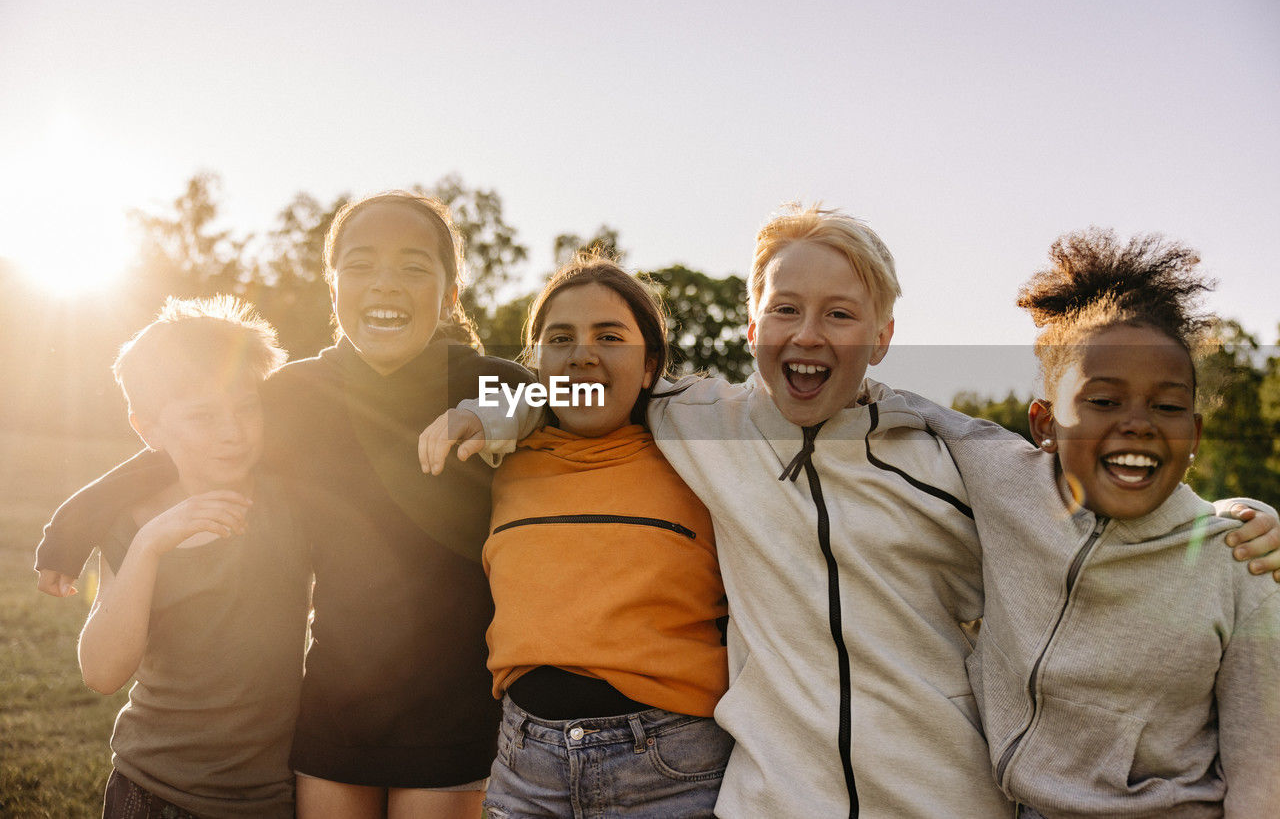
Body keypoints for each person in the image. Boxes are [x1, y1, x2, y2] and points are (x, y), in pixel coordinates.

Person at [427, 204, 1280, 818]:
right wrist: (492, 409)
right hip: (766, 801)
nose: (808, 334)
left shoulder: (954, 455)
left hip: (938, 800)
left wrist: (1231, 518)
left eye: (840, 315)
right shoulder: (698, 417)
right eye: (786, 310)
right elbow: (585, 373)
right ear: (751, 322)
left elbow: (1105, 480)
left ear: (881, 337)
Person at [36, 191, 533, 819]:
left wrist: (479, 414)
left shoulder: (486, 380)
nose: (386, 283)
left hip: (452, 704)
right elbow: (178, 443)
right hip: (333, 703)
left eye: (414, 266)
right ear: (332, 288)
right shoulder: (297, 392)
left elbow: (541, 394)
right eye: (360, 265)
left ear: (451, 293)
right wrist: (72, 525)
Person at [904, 230, 1280, 817]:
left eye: (1168, 406)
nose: (1139, 424)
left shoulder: (1241, 562)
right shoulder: (999, 479)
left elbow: (1264, 772)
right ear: (1045, 424)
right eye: (1104, 401)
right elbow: (892, 406)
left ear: (1195, 437)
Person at [423, 252, 732, 817]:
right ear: (537, 362)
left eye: (610, 336)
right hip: (526, 767)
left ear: (648, 366)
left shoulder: (698, 462)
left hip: (671, 769)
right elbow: (519, 407)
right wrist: (483, 414)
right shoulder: (505, 461)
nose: (584, 352)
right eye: (560, 338)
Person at [79, 296, 307, 819]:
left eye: (246, 408)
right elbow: (102, 671)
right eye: (203, 416)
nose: (232, 431)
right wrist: (152, 544)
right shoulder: (131, 523)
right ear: (148, 428)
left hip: (271, 796)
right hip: (154, 789)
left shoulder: (288, 502)